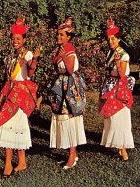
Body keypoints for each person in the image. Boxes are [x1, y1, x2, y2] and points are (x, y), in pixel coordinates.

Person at [0, 15, 39, 177]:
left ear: (24, 39)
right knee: (7, 123)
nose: (15, 41)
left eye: (18, 38)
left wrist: (34, 61)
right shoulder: (11, 57)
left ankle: (14, 163)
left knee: (16, 124)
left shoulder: (27, 55)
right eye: (13, 38)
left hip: (21, 94)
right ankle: (15, 163)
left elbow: (31, 71)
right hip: (10, 91)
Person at [47, 16, 87, 170]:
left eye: (61, 35)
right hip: (61, 85)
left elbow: (70, 70)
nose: (58, 37)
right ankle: (70, 151)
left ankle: (72, 154)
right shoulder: (61, 49)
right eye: (58, 34)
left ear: (68, 37)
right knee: (62, 116)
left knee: (70, 117)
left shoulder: (69, 50)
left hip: (70, 87)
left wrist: (63, 56)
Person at [98, 16, 135, 161]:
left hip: (119, 89)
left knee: (120, 117)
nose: (111, 42)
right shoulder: (111, 53)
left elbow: (121, 74)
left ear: (119, 39)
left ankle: (123, 150)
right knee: (112, 118)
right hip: (110, 86)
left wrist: (118, 62)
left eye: (113, 39)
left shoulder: (123, 54)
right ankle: (119, 148)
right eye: (109, 39)